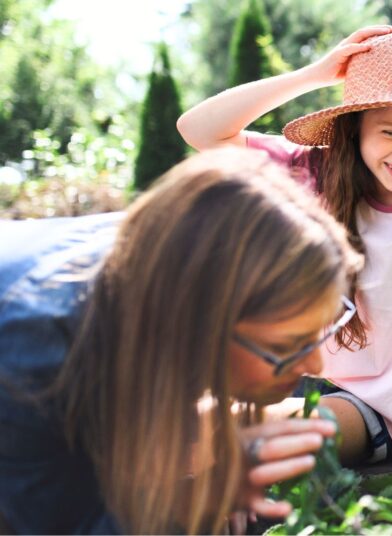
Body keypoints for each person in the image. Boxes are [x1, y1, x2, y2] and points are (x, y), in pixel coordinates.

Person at [177, 28, 392, 463]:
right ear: (355, 126)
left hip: (383, 407)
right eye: (391, 133)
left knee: (236, 435)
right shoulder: (319, 169)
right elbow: (199, 130)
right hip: (302, 376)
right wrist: (315, 74)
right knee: (173, 415)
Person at [0, 148, 362, 534]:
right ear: (203, 330)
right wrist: (200, 497)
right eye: (285, 346)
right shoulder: (34, 360)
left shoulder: (174, 258)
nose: (315, 367)